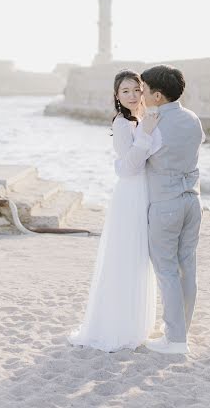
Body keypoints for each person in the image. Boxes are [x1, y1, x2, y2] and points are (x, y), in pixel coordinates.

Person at [67, 69, 161, 352]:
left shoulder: (147, 118)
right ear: (117, 97)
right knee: (126, 256)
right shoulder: (123, 124)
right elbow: (130, 166)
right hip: (131, 194)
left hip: (148, 191)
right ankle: (119, 326)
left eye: (136, 89)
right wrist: (144, 136)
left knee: (143, 257)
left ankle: (138, 321)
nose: (132, 96)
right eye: (125, 92)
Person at [115, 65, 205, 354]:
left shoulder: (152, 125)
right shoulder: (192, 119)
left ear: (156, 95)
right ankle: (181, 331)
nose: (139, 94)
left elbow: (131, 166)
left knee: (166, 270)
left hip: (166, 204)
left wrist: (120, 162)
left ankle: (175, 339)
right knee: (187, 267)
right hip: (194, 200)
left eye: (143, 89)